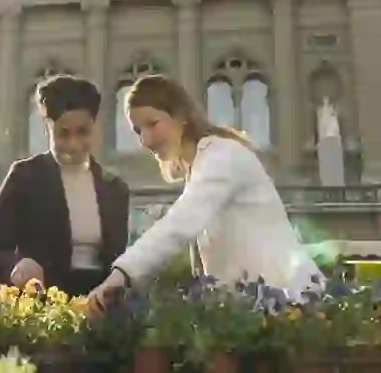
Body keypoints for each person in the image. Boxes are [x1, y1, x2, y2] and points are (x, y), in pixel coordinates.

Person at [87, 74, 322, 312]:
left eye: (152, 124)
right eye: (138, 130)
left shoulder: (222, 156)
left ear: (181, 116)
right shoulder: (201, 166)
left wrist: (119, 276)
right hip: (257, 310)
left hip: (290, 303)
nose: (145, 140)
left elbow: (179, 225)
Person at [0, 75, 131, 297]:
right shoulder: (25, 177)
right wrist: (15, 267)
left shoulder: (115, 188)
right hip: (43, 307)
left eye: (82, 132)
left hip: (100, 308)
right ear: (47, 128)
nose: (74, 144)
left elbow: (118, 260)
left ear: (95, 127)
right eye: (63, 133)